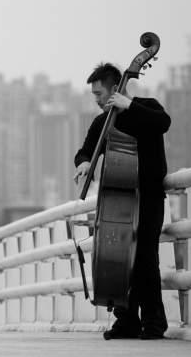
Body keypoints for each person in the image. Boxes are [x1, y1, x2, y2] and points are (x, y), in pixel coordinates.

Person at [73, 63, 171, 341]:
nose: (96, 99)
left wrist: (129, 106)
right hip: (118, 201)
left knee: (145, 258)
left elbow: (163, 123)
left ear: (116, 88)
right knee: (120, 259)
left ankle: (154, 322)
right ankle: (126, 321)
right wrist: (83, 163)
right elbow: (85, 151)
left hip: (149, 197)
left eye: (99, 93)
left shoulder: (147, 107)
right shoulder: (102, 123)